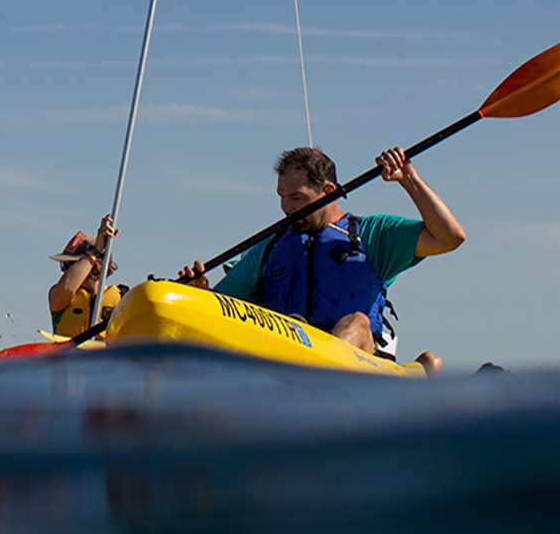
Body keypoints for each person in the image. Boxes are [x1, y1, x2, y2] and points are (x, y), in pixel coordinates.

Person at [177, 146, 461, 374]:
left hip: (356, 363)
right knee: (293, 323)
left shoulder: (373, 235)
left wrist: (408, 178)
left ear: (327, 192)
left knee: (358, 322)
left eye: (297, 198)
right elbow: (224, 311)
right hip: (288, 358)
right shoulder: (270, 246)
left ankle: (404, 372)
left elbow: (450, 237)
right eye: (282, 197)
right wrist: (200, 294)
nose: (287, 208)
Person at [47, 216, 122, 337]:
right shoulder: (58, 296)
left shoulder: (123, 301)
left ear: (92, 267)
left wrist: (93, 253)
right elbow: (67, 288)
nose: (63, 270)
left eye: (68, 265)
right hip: (72, 356)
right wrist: (95, 251)